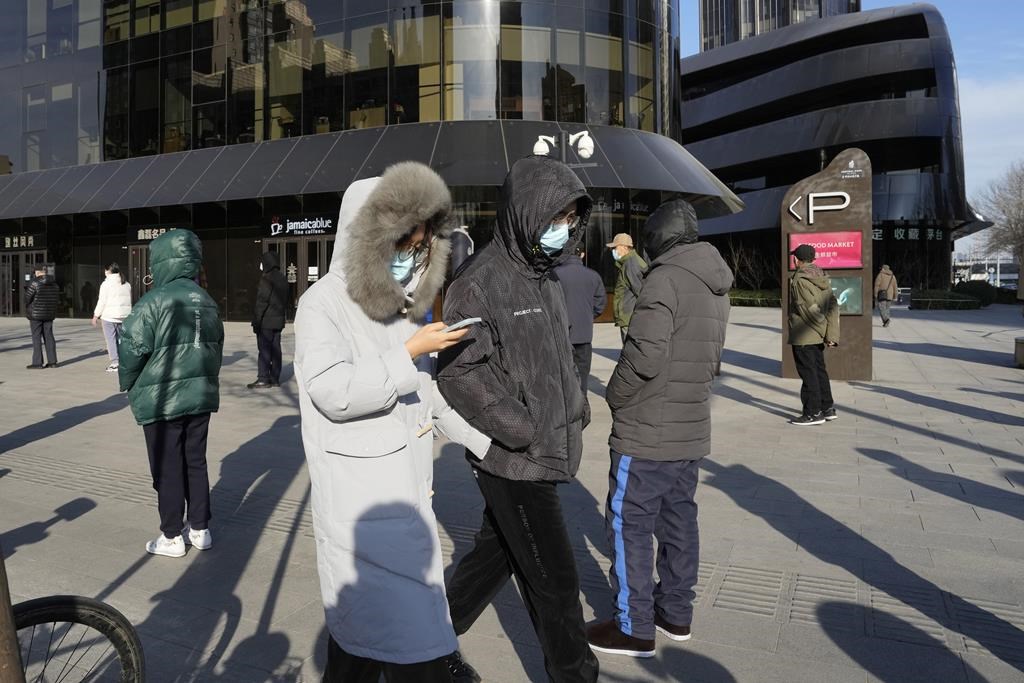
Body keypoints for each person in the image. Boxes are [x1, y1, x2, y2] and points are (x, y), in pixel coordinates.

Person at [293, 162, 486, 683]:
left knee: (371, 641)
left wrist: (485, 444)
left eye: (420, 246)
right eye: (404, 244)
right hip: (361, 506)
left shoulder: (401, 310)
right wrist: (409, 353)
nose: (413, 257)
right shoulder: (322, 304)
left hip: (404, 503)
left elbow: (425, 397)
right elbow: (332, 393)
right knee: (387, 638)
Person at [437, 155, 600, 683]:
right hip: (514, 459)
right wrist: (521, 428)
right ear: (528, 212)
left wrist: (573, 401)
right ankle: (576, 674)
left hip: (543, 447)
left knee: (494, 557)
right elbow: (459, 372)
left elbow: (555, 355)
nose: (565, 230)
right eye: (557, 218)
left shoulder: (545, 278)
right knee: (555, 579)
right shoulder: (478, 281)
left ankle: (421, 638)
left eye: (572, 221)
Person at [586, 199, 731, 659]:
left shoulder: (664, 279)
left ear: (658, 238)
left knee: (630, 523)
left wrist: (614, 393)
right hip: (690, 424)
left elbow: (643, 356)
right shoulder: (715, 282)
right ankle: (675, 613)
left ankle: (633, 626)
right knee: (679, 520)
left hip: (649, 428)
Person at [118, 229, 224, 557]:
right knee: (195, 460)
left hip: (163, 397)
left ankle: (171, 535)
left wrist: (128, 381)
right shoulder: (205, 299)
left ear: (163, 260)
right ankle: (201, 528)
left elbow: (132, 347)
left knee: (167, 465)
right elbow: (215, 346)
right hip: (199, 393)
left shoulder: (153, 301)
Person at [787, 244, 839, 426]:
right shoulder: (822, 277)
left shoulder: (800, 280)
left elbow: (808, 309)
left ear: (796, 259)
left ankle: (813, 413)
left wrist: (823, 330)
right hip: (817, 336)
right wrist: (830, 334)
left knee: (809, 374)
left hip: (805, 334)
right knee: (819, 371)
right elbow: (833, 306)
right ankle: (827, 408)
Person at [553, 248, 607, 395]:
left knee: (562, 375)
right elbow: (600, 303)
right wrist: (587, 316)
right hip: (584, 334)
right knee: (582, 375)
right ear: (582, 254)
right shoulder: (593, 276)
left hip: (561, 334)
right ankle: (582, 404)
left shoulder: (555, 275)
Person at [248, 251, 288, 389]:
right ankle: (275, 378)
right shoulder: (283, 278)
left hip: (266, 321)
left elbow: (262, 301)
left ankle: (263, 378)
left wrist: (256, 320)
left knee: (264, 349)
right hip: (278, 320)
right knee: (276, 349)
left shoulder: (267, 279)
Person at [92, 262, 133, 373]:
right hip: (124, 316)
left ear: (108, 271)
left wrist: (96, 315)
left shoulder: (106, 284)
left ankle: (115, 363)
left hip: (109, 317)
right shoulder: (126, 283)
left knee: (110, 340)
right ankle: (124, 361)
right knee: (121, 340)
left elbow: (102, 301)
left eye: (105, 270)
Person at [607, 233, 647, 342]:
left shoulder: (631, 264)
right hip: (629, 316)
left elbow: (640, 291)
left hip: (629, 316)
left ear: (625, 247)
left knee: (630, 350)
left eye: (615, 248)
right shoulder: (628, 263)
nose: (613, 251)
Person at [25, 264, 60, 369]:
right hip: (49, 314)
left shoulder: (34, 282)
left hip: (36, 315)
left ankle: (37, 363)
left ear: (37, 272)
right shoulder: (54, 284)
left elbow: (27, 298)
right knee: (49, 337)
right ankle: (52, 362)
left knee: (36, 338)